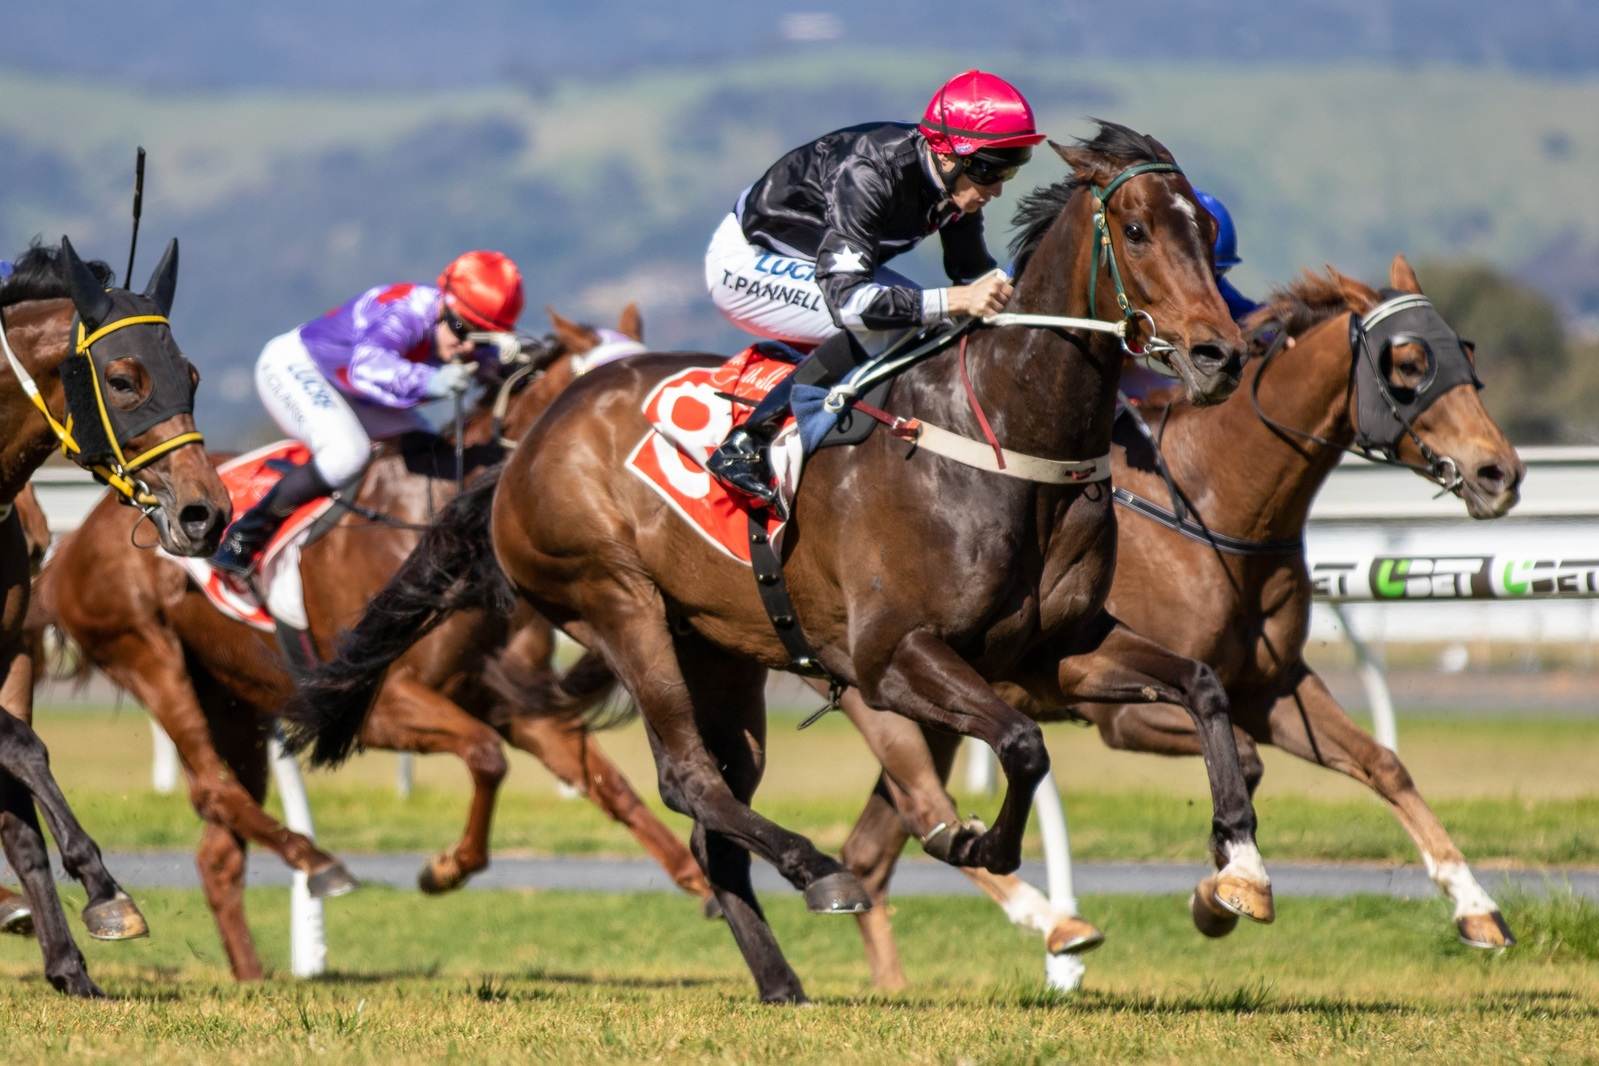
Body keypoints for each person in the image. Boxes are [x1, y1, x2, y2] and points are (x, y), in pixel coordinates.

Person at [702, 69, 1045, 508]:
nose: (996, 188)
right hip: (747, 261)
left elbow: (974, 275)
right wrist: (957, 300)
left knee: (935, 323)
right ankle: (750, 440)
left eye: (1009, 171)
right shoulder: (869, 173)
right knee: (899, 323)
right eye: (988, 170)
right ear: (946, 154)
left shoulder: (956, 185)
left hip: (814, 262)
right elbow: (849, 304)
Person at [209, 250, 523, 577]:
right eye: (461, 329)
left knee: (429, 446)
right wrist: (431, 380)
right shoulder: (406, 312)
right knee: (347, 454)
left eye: (480, 337)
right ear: (444, 304)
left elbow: (487, 364)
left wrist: (508, 362)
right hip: (298, 368)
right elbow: (368, 367)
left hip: (354, 390)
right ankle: (245, 536)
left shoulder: (459, 334)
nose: (468, 346)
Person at [1121, 187, 1259, 402]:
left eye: (1217, 274)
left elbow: (1246, 312)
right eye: (1203, 273)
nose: (1209, 285)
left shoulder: (1215, 288)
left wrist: (1279, 326)